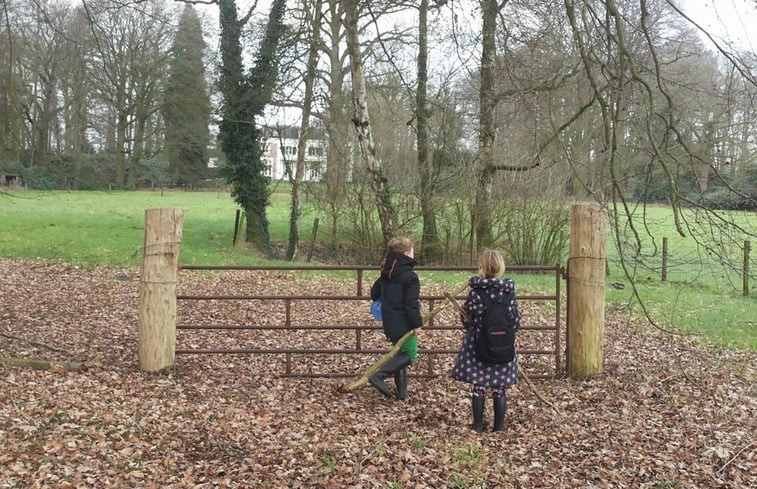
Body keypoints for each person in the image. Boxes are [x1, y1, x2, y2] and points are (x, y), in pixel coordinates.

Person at [451, 249, 521, 432]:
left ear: (482, 267)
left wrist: (470, 324)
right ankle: (499, 425)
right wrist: (506, 334)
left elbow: (468, 317)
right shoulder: (508, 292)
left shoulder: (476, 293)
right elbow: (515, 320)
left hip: (479, 343)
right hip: (502, 345)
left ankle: (478, 424)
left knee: (479, 385)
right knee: (500, 387)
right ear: (501, 267)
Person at [369, 236, 423, 400]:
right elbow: (411, 303)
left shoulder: (387, 272)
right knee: (411, 354)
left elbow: (374, 293)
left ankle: (402, 394)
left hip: (389, 320)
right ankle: (379, 375)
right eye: (412, 250)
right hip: (404, 321)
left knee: (400, 352)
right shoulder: (410, 276)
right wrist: (416, 323)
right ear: (407, 253)